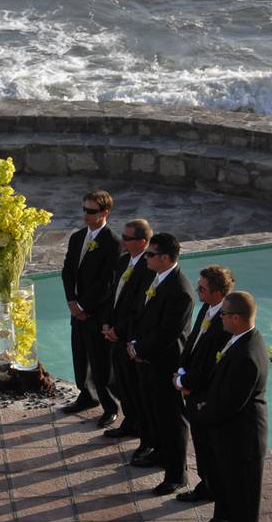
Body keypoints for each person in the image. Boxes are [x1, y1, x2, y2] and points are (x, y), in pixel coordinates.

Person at [197, 291, 268, 522]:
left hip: (242, 439)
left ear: (236, 318)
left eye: (224, 314)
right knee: (236, 494)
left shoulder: (246, 356)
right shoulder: (244, 340)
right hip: (235, 435)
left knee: (244, 498)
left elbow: (230, 404)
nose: (220, 318)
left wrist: (202, 414)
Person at [126, 233, 194, 495]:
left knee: (172, 418)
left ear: (166, 258)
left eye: (151, 254)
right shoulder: (156, 278)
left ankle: (177, 474)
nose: (146, 257)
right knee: (154, 411)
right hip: (147, 359)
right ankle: (160, 453)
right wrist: (134, 343)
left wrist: (140, 349)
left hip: (165, 363)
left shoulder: (180, 291)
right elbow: (143, 316)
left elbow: (169, 332)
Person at [174, 266, 234, 522]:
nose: (198, 291)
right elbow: (193, 343)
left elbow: (213, 364)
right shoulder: (205, 309)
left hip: (206, 396)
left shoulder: (226, 321)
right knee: (201, 446)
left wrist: (188, 383)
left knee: (215, 454)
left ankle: (223, 511)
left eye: (202, 288)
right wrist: (181, 371)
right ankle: (206, 485)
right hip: (192, 389)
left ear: (218, 293)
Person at [60, 190, 122, 427]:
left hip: (98, 312)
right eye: (84, 209)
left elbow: (108, 282)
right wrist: (72, 302)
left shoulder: (113, 243)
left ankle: (110, 405)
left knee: (100, 360)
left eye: (91, 211)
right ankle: (86, 395)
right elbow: (67, 272)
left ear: (104, 212)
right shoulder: (77, 238)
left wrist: (84, 305)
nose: (85, 214)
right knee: (80, 354)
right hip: (78, 309)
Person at [101, 219, 155, 439]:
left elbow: (137, 307)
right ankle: (129, 422)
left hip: (130, 336)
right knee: (122, 383)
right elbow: (113, 295)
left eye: (127, 238)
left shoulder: (148, 268)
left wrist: (119, 331)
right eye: (122, 236)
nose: (122, 241)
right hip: (115, 333)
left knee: (134, 386)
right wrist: (106, 323)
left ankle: (141, 427)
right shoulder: (125, 262)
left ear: (142, 242)